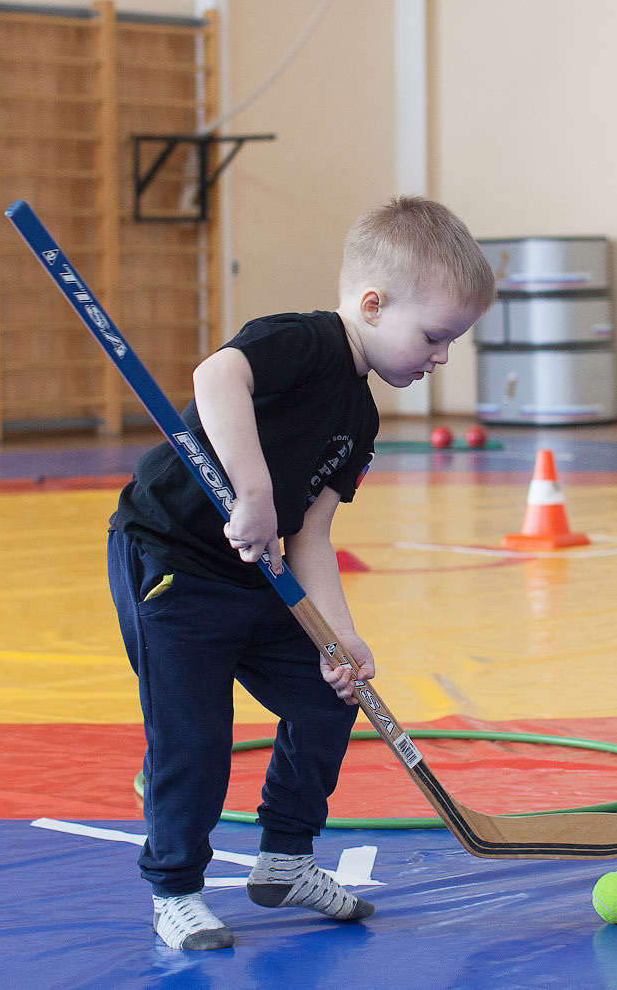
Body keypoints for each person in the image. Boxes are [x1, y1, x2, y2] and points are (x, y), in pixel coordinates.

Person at [107, 195, 496, 950]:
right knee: (195, 736)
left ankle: (285, 856)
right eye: (434, 337)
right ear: (374, 305)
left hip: (255, 575)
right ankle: (176, 889)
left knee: (328, 695)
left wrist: (338, 638)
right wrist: (253, 493)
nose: (441, 357)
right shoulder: (306, 340)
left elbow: (311, 530)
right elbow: (216, 376)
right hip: (172, 561)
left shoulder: (362, 417)